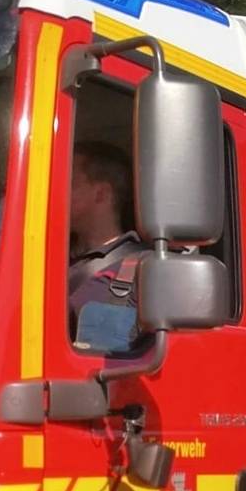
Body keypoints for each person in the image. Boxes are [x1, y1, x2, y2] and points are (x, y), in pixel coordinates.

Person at [66, 141, 147, 354]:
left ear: (101, 194)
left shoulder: (145, 268)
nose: (55, 192)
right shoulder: (44, 259)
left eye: (69, 183)